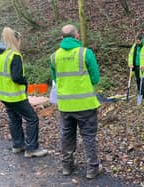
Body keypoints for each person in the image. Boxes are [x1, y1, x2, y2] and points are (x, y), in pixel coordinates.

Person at [50, 24, 101, 179]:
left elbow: (55, 79)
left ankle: (67, 166)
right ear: (76, 36)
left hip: (65, 105)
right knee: (88, 137)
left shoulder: (54, 57)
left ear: (62, 37)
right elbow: (95, 78)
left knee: (67, 135)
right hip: (86, 105)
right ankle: (92, 169)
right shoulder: (85, 53)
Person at [0, 27, 47, 157]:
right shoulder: (15, 55)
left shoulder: (2, 55)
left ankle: (18, 145)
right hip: (16, 96)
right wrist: (25, 82)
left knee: (14, 118)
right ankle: (32, 149)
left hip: (4, 95)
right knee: (32, 118)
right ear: (16, 40)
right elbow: (16, 77)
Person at [128, 34, 144, 101]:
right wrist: (130, 63)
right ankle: (140, 93)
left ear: (141, 40)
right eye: (136, 41)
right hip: (136, 66)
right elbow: (130, 55)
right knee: (138, 80)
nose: (136, 42)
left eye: (138, 41)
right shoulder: (135, 45)